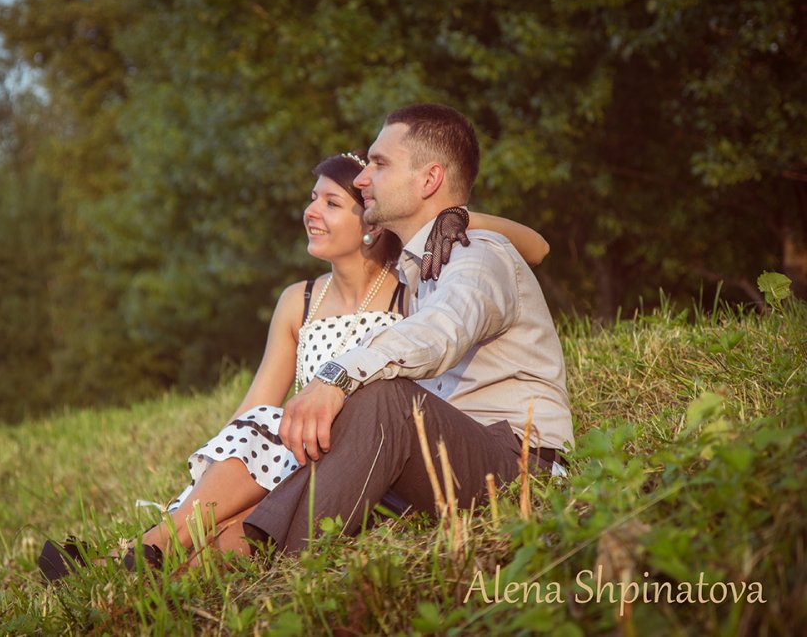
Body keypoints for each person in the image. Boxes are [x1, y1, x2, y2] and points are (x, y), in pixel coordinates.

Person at [38, 148, 549, 579]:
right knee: (264, 425)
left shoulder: (409, 286)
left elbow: (534, 247)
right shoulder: (298, 301)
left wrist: (457, 217)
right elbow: (255, 405)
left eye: (331, 202)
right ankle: (143, 555)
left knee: (275, 454)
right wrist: (206, 476)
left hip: (346, 448)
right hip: (289, 444)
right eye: (313, 198)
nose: (312, 211)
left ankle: (150, 560)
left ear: (370, 222)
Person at [239, 103, 575, 554]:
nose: (361, 179)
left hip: (517, 467)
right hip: (440, 457)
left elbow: (442, 330)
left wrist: (336, 375)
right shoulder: (415, 267)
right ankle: (183, 555)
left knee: (386, 399)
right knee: (315, 446)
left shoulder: (478, 255)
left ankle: (289, 568)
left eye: (379, 164)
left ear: (429, 180)